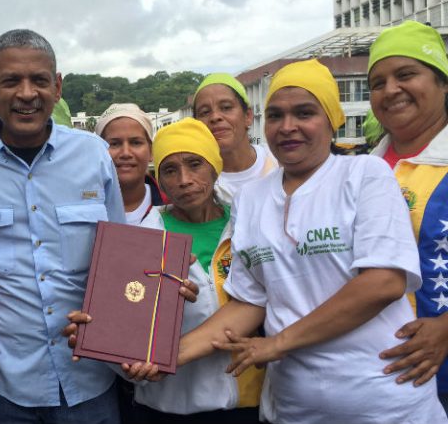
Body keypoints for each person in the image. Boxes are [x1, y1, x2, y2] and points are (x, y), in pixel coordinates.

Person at [70, 59, 448, 423]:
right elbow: (249, 302)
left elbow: (383, 282)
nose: (288, 127)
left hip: (382, 399)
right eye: (276, 116)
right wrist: (163, 355)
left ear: (332, 119)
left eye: (304, 113)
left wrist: (277, 344)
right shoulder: (252, 199)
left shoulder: (365, 174)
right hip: (294, 405)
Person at [0, 29, 125, 423]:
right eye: (11, 80)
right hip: (6, 387)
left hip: (90, 380)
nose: (27, 93)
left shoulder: (94, 155)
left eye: (40, 80)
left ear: (57, 86)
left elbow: (120, 258)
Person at [133, 117, 261, 423]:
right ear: (160, 180)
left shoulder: (249, 224)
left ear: (215, 167)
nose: (184, 180)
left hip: (248, 400)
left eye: (195, 164)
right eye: (170, 170)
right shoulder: (144, 238)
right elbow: (127, 325)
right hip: (170, 405)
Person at [367, 20, 448, 411]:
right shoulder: (363, 169)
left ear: (442, 82)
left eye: (405, 74)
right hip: (377, 375)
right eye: (377, 82)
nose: (391, 90)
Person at [192, 73, 277, 205]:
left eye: (226, 107)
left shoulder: (278, 161)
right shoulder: (196, 184)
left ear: (248, 116)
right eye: (205, 112)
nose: (215, 117)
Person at [95, 103, 166, 225]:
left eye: (136, 143)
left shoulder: (173, 206)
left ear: (151, 151)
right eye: (115, 144)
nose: (126, 153)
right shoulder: (83, 207)